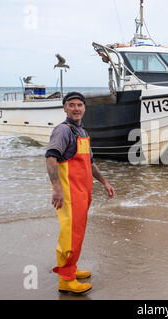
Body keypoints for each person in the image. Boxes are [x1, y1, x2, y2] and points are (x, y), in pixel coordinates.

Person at [45, 92, 115, 294]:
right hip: (68, 192)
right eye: (71, 105)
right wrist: (57, 188)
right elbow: (51, 158)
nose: (76, 108)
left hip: (83, 192)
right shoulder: (63, 131)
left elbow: (90, 163)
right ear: (65, 108)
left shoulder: (82, 132)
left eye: (79, 105)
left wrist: (104, 182)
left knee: (77, 233)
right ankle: (66, 280)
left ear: (85, 108)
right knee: (69, 234)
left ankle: (71, 269)